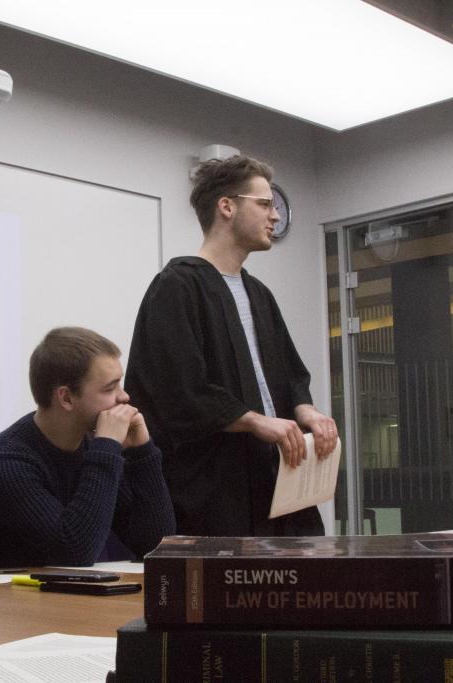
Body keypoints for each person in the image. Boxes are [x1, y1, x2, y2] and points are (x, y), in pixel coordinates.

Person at [125, 155, 338, 537]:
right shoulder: (177, 287)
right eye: (264, 204)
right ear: (227, 206)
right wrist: (256, 421)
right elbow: (178, 391)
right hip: (219, 496)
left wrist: (308, 412)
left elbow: (290, 373)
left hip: (278, 484)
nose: (274, 216)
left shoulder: (259, 294)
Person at [0, 327, 175, 570]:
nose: (124, 397)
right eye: (110, 389)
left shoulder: (95, 449)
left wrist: (142, 452)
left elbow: (155, 546)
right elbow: (73, 553)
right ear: (66, 398)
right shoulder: (3, 463)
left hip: (57, 600)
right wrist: (106, 449)